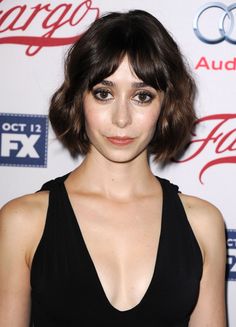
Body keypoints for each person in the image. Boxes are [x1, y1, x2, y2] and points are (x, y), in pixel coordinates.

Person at [0, 9, 226, 327]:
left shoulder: (202, 225)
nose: (122, 119)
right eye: (104, 94)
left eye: (142, 96)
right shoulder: (23, 222)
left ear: (166, 104)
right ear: (79, 98)